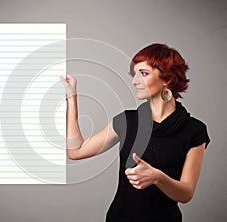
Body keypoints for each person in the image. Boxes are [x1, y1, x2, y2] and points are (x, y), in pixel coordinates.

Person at [59, 43, 210, 222]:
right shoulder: (127, 121)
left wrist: (157, 178)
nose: (134, 81)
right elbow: (76, 151)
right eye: (135, 74)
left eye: (144, 73)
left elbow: (186, 193)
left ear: (167, 79)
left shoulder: (194, 130)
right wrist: (71, 96)